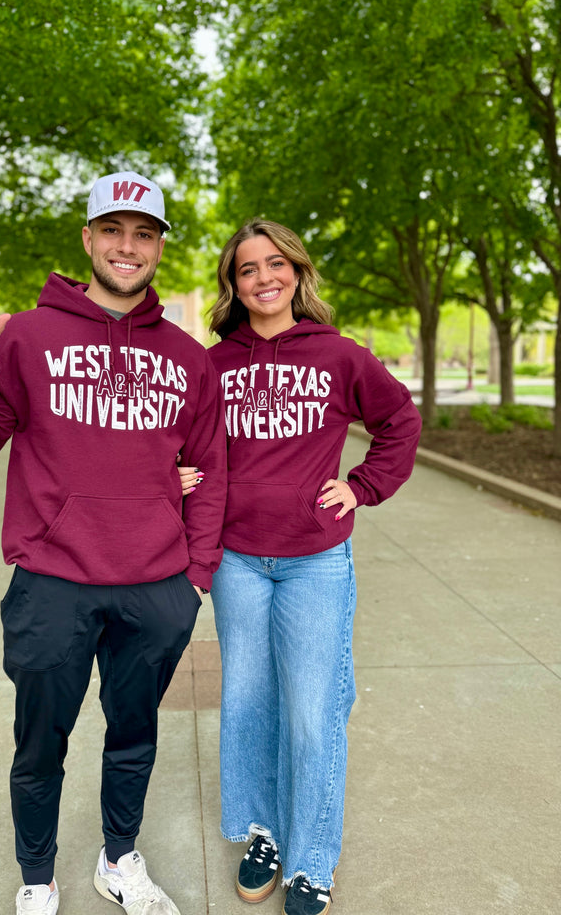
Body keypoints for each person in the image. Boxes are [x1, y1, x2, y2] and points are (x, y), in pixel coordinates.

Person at [0, 171, 227, 915]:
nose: (127, 245)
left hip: (155, 587)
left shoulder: (187, 358)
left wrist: (195, 578)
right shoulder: (26, 336)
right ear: (87, 239)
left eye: (144, 233)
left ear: (159, 248)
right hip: (51, 581)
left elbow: (209, 474)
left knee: (134, 738)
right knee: (40, 744)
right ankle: (38, 878)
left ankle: (119, 861)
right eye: (112, 229)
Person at [178, 218, 422, 915]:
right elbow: (181, 440)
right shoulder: (212, 363)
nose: (263, 278)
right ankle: (264, 834)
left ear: (297, 272)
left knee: (313, 713)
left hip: (315, 560)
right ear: (233, 283)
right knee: (249, 703)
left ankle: (312, 859)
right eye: (248, 268)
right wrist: (180, 475)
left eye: (274, 263)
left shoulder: (339, 356)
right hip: (237, 563)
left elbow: (399, 421)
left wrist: (361, 486)